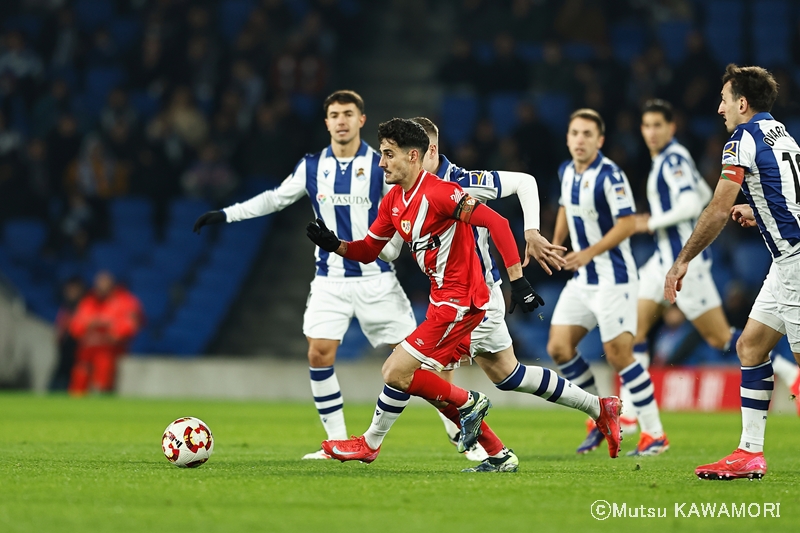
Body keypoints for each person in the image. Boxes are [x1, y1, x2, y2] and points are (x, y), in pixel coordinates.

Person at [310, 118, 622, 472]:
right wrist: (336, 245)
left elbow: (519, 190)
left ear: (422, 151)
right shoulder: (398, 196)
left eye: (388, 154)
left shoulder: (456, 184)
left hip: (472, 298)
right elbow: (383, 248)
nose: (382, 162)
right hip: (451, 296)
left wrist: (526, 250)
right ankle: (589, 411)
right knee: (507, 375)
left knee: (408, 371)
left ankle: (372, 442)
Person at [192, 90, 418, 460]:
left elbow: (406, 209)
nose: (341, 120)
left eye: (348, 113)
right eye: (334, 114)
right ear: (326, 122)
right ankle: (336, 443)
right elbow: (276, 198)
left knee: (416, 361)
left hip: (376, 277)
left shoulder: (382, 166)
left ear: (361, 120)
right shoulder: (313, 166)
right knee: (318, 353)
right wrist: (227, 214)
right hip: (329, 278)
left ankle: (460, 432)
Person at [665, 64, 800, 480]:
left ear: (742, 103)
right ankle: (749, 453)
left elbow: (718, 207)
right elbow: (789, 200)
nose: (719, 108)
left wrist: (683, 258)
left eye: (724, 100)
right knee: (751, 348)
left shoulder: (741, 139)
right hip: (786, 264)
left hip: (796, 265)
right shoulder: (784, 136)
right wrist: (758, 211)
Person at [547, 109, 669, 457]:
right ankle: (600, 414)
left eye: (588, 134)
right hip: (583, 279)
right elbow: (565, 207)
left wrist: (587, 252)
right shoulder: (566, 171)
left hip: (614, 279)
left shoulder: (611, 175)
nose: (580, 140)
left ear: (600, 140)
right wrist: (558, 244)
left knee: (619, 355)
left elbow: (628, 224)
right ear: (568, 138)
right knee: (558, 347)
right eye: (575, 133)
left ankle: (655, 434)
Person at [623, 99, 742, 433]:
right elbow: (703, 192)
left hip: (685, 264)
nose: (651, 132)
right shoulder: (671, 158)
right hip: (662, 260)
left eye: (658, 125)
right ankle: (632, 412)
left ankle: (790, 373)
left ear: (671, 127)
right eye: (646, 126)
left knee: (722, 339)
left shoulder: (672, 158)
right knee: (634, 328)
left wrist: (651, 223)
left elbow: (691, 202)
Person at [69, 270, 143, 394]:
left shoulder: (125, 301)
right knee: (80, 373)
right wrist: (90, 325)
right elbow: (75, 326)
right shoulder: (89, 301)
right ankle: (76, 400)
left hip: (111, 350)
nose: (101, 287)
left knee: (104, 365)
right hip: (88, 350)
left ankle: (102, 395)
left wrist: (110, 328)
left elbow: (131, 325)